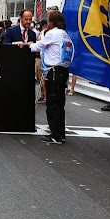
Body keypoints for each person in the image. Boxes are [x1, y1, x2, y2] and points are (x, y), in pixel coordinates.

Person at [30, 11, 74, 144]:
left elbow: (38, 46)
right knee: (60, 104)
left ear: (51, 22)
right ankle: (60, 133)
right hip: (63, 70)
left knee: (53, 104)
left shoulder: (52, 33)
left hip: (53, 71)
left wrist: (29, 45)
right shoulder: (65, 35)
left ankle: (55, 135)